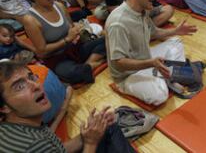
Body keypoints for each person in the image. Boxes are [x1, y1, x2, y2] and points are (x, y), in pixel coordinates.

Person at [105, 0, 197, 105]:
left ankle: (163, 75)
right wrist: (151, 63)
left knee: (176, 42)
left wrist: (175, 31)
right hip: (128, 75)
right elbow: (119, 63)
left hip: (146, 59)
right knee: (160, 96)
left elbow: (154, 32)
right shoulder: (118, 23)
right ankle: (165, 76)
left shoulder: (142, 10)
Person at [0, 61, 135, 152]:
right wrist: (90, 143)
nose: (36, 85)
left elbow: (58, 149)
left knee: (107, 128)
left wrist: (86, 135)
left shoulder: (13, 126)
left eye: (32, 77)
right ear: (3, 107)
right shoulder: (33, 145)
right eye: (19, 86)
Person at [20, 0, 106, 85]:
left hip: (75, 48)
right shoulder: (30, 19)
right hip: (58, 59)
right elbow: (42, 52)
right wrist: (67, 39)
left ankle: (88, 64)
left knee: (108, 39)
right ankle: (91, 64)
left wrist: (77, 30)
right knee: (75, 74)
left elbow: (71, 27)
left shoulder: (59, 5)